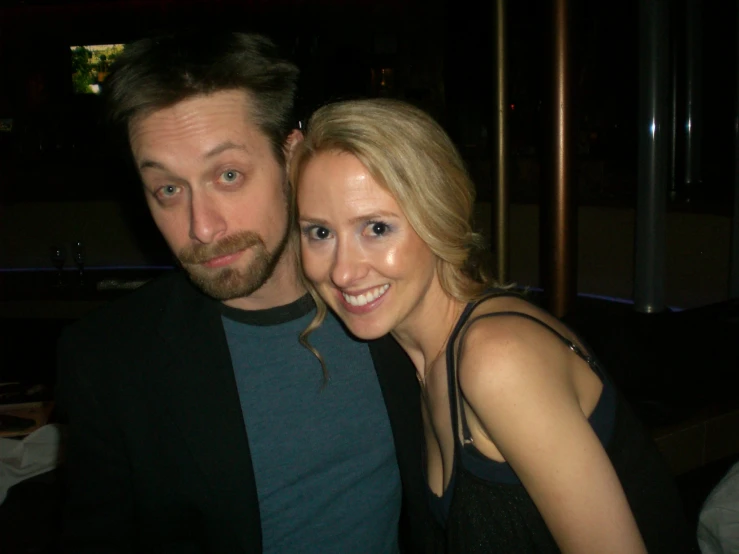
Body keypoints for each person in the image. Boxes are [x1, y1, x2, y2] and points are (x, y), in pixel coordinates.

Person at [56, 34, 432, 553]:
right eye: (169, 189)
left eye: (228, 175)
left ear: (291, 154)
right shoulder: (108, 362)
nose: (202, 227)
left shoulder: (391, 304)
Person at [291, 98, 694, 553]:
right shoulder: (409, 354)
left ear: (438, 216)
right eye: (320, 233)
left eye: (377, 228)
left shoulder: (497, 358)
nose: (343, 272)